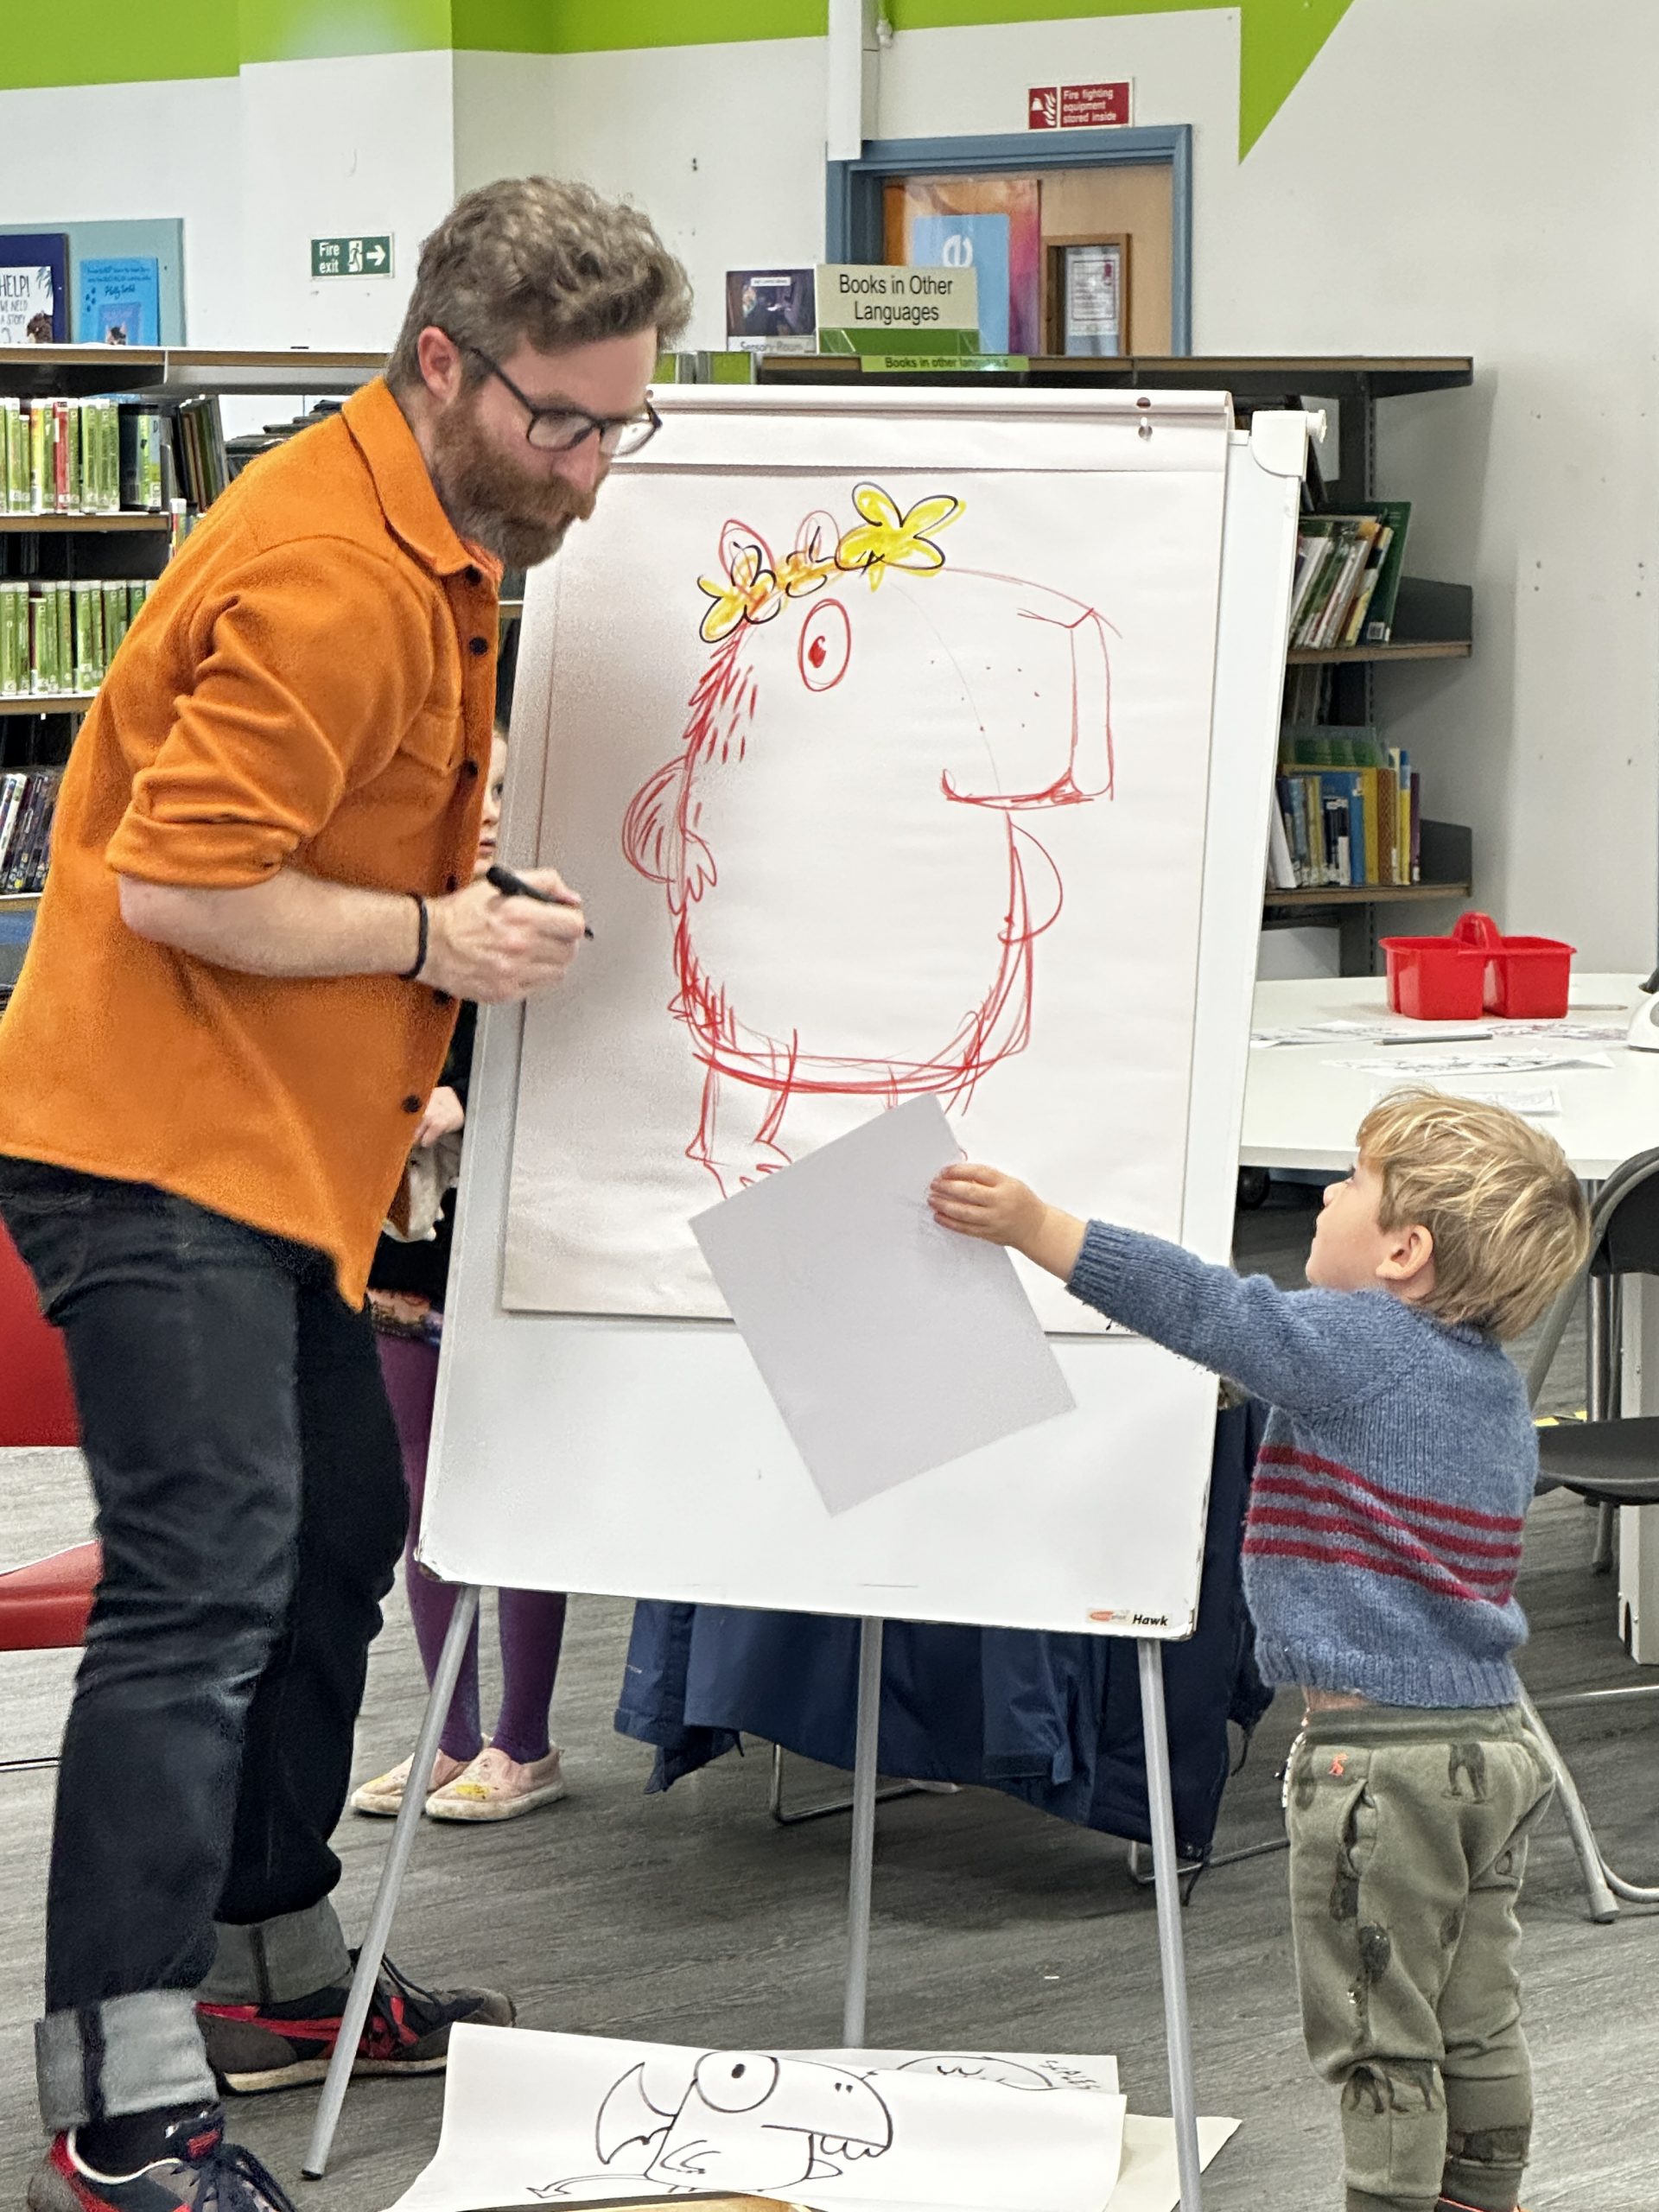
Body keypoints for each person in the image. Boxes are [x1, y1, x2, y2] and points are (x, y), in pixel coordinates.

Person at [0, 177, 690, 2212]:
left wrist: (410, 1025)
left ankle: (264, 1946)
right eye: (561, 421)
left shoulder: (436, 528)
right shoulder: (330, 570)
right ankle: (116, 2106)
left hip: (264, 1142)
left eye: (619, 422)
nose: (589, 465)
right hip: (150, 1144)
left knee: (337, 1533)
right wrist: (436, 943)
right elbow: (181, 881)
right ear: (444, 365)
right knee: (205, 1583)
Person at [929, 1090, 1592, 2212]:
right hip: (1496, 1744)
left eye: (1349, 1183)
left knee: (1378, 2035)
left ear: (1403, 1251)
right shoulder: (1488, 1386)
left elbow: (1209, 1307)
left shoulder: (1364, 1342)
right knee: (1474, 2011)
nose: (1324, 1199)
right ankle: (1485, 2196)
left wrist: (1038, 1226)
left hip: (1380, 1765)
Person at [353, 728, 571, 1825]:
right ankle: (446, 1730)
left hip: (515, 1223)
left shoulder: (543, 910)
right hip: (405, 1224)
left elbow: (581, 1066)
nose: (477, 805)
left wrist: (468, 1105)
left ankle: (522, 1738)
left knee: (521, 1477)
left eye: (493, 783)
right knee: (418, 1478)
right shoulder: (382, 905)